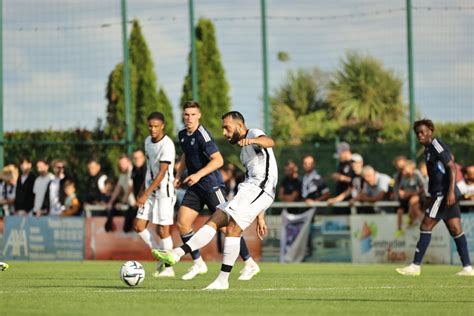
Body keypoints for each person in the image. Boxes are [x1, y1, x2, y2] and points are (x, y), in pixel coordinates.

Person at [153, 111, 278, 290]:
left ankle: (222, 279)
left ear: (240, 126)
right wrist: (260, 216)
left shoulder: (253, 133)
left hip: (259, 189)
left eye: (227, 128)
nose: (225, 133)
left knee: (232, 228)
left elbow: (270, 142)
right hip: (251, 190)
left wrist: (253, 140)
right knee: (217, 218)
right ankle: (177, 254)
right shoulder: (243, 154)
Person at [172, 101, 259, 281]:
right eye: (186, 114)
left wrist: (197, 174)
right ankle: (198, 263)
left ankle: (249, 263)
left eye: (193, 114)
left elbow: (218, 161)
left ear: (199, 115)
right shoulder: (182, 135)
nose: (189, 118)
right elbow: (185, 155)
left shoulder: (203, 135)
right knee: (182, 223)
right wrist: (179, 175)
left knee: (227, 227)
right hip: (195, 187)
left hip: (211, 185)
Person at [396, 119, 473, 276]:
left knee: (426, 225)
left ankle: (415, 266)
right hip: (443, 193)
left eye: (423, 132)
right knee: (455, 229)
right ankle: (468, 268)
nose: (420, 135)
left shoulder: (436, 145)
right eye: (417, 133)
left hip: (444, 194)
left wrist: (450, 191)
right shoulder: (427, 150)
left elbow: (451, 166)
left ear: (430, 131)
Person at [133, 112, 177, 278]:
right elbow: (149, 170)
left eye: (156, 126)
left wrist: (146, 193)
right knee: (138, 226)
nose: (152, 129)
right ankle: (160, 256)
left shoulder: (167, 145)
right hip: (150, 191)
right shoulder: (147, 142)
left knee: (163, 230)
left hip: (164, 193)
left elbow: (162, 172)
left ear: (163, 126)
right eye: (150, 126)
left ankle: (168, 268)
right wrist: (142, 190)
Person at [395, 160, 425, 237]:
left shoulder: (417, 174)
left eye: (405, 169)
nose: (403, 171)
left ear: (411, 168)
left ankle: (412, 219)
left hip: (417, 196)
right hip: (407, 197)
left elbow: (423, 187)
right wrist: (401, 193)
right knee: (399, 211)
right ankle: (399, 229)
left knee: (413, 201)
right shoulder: (403, 177)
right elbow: (400, 189)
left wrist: (411, 193)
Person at [123, 149, 147, 233]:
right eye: (135, 158)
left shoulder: (146, 169)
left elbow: (147, 186)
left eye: (139, 158)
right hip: (137, 201)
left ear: (143, 158)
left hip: (146, 201)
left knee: (139, 226)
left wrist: (141, 199)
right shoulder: (134, 169)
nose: (137, 160)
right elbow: (132, 186)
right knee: (127, 226)